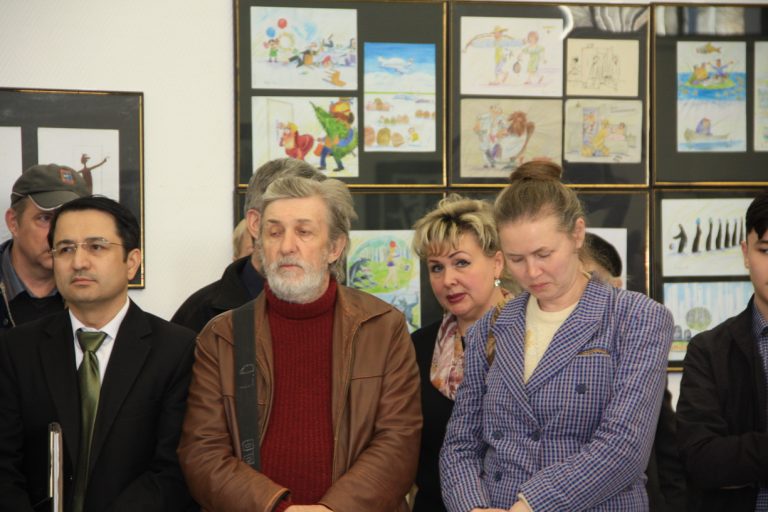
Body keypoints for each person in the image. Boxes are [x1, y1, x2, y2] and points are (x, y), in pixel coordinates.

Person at [440, 161, 673, 511]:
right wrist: (473, 507)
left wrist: (531, 505)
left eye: (544, 254)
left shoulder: (636, 317)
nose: (532, 272)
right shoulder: (490, 327)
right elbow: (460, 444)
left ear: (577, 234)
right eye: (517, 259)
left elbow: (624, 446)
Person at [178, 176, 421, 511]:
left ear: (335, 247)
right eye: (274, 232)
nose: (286, 246)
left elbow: (399, 442)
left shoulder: (382, 327)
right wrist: (277, 508)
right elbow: (202, 452)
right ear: (260, 244)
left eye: (304, 232)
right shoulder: (222, 336)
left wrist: (332, 509)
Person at [0, 196, 196, 512]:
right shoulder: (17, 348)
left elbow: (173, 470)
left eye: (96, 247)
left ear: (132, 262)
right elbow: (5, 465)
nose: (79, 262)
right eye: (65, 249)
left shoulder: (176, 350)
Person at [410, 195, 514, 512]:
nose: (448, 280)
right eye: (436, 268)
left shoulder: (533, 337)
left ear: (497, 263)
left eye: (461, 263)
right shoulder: (417, 348)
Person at [676, 189, 768, 511]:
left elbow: (724, 459)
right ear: (746, 253)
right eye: (766, 250)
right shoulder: (708, 351)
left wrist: (743, 457)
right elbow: (702, 461)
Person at [583, 232, 687, 512]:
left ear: (616, 284)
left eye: (590, 277)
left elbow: (667, 444)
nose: (581, 289)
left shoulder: (637, 348)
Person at [171, 158, 325, 333]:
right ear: (255, 224)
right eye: (279, 228)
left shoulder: (348, 311)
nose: (289, 246)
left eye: (305, 230)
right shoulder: (200, 316)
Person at [1, 164, 88, 333]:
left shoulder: (96, 289)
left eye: (71, 220)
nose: (60, 234)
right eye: (45, 218)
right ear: (13, 222)